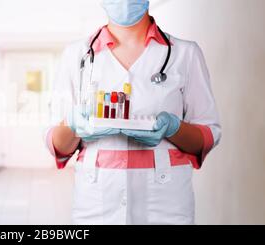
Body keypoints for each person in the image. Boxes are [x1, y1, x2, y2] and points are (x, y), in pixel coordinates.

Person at [45, 0, 221, 225]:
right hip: (97, 204)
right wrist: (74, 126)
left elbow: (207, 136)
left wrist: (173, 127)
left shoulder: (185, 54)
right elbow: (56, 144)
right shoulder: (76, 55)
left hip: (166, 204)